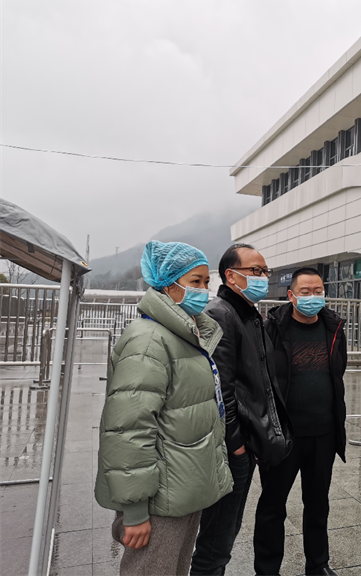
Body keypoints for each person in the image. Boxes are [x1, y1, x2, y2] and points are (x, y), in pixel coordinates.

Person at [95, 241, 233, 576]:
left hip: (183, 487)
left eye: (206, 281)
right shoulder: (148, 340)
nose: (203, 290)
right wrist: (135, 511)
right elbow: (128, 430)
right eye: (194, 281)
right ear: (168, 286)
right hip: (160, 499)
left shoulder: (184, 334)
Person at [190, 243, 292, 576]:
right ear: (231, 276)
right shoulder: (222, 313)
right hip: (232, 448)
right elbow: (220, 387)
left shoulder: (248, 314)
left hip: (244, 444)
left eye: (265, 271)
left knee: (227, 530)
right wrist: (236, 445)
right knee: (216, 540)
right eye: (256, 271)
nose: (263, 277)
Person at [259, 267, 347, 576]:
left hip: (323, 432)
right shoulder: (272, 329)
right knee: (272, 505)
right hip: (283, 434)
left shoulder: (334, 328)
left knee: (318, 503)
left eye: (318, 291)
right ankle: (267, 569)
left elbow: (338, 373)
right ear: (291, 295)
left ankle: (318, 563)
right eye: (305, 292)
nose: (313, 297)